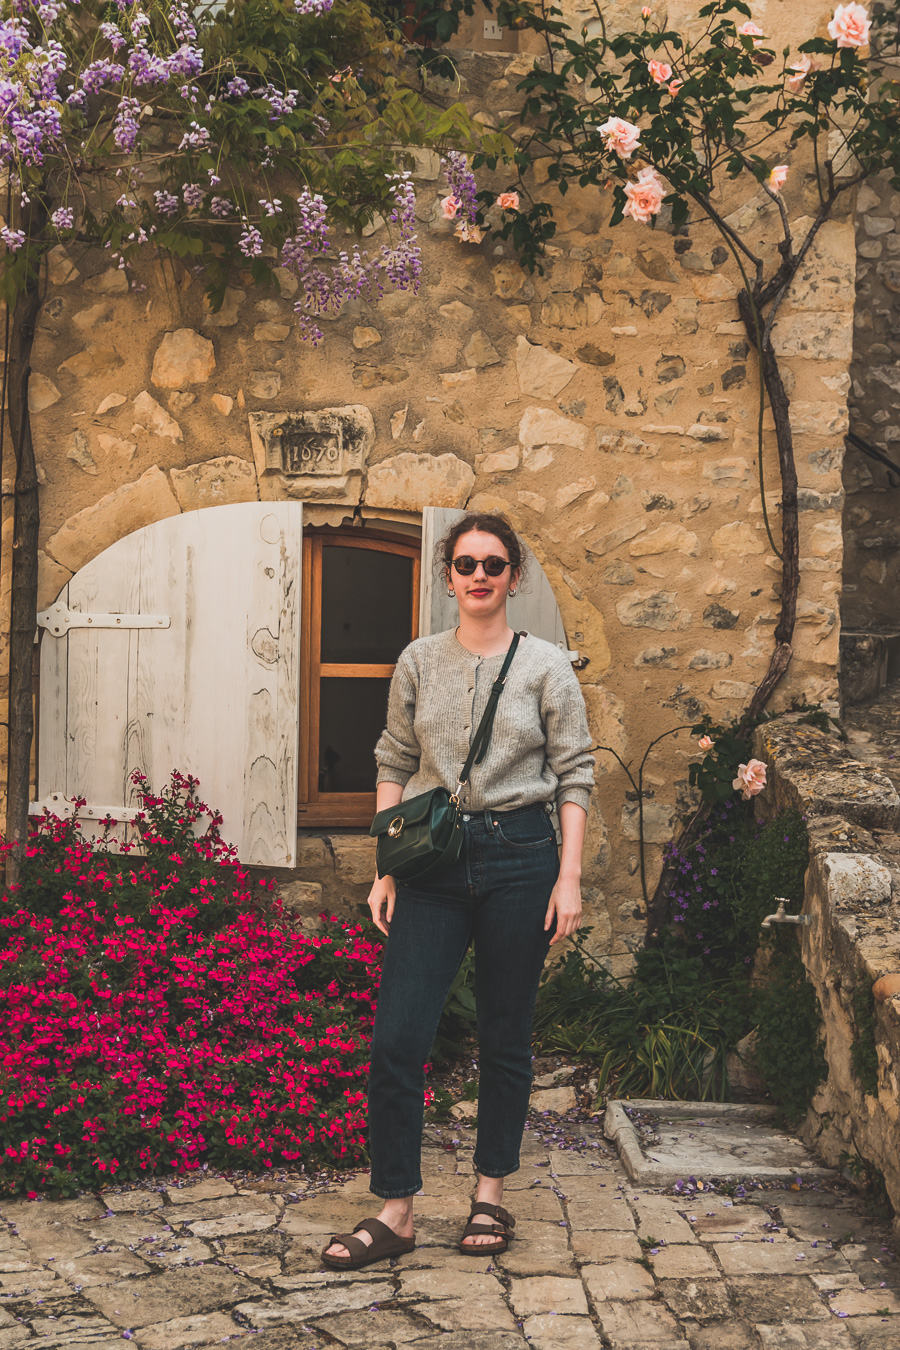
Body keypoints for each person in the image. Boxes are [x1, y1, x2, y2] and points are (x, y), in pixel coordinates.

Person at [322, 511, 594, 1270]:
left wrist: (568, 878)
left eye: (494, 564)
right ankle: (396, 1212)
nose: (480, 576)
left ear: (514, 577)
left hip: (522, 857)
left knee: (505, 1036)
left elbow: (575, 775)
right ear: (447, 577)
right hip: (433, 865)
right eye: (466, 564)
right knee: (397, 1039)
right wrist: (386, 864)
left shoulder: (547, 667)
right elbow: (392, 759)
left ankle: (489, 1198)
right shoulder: (418, 661)